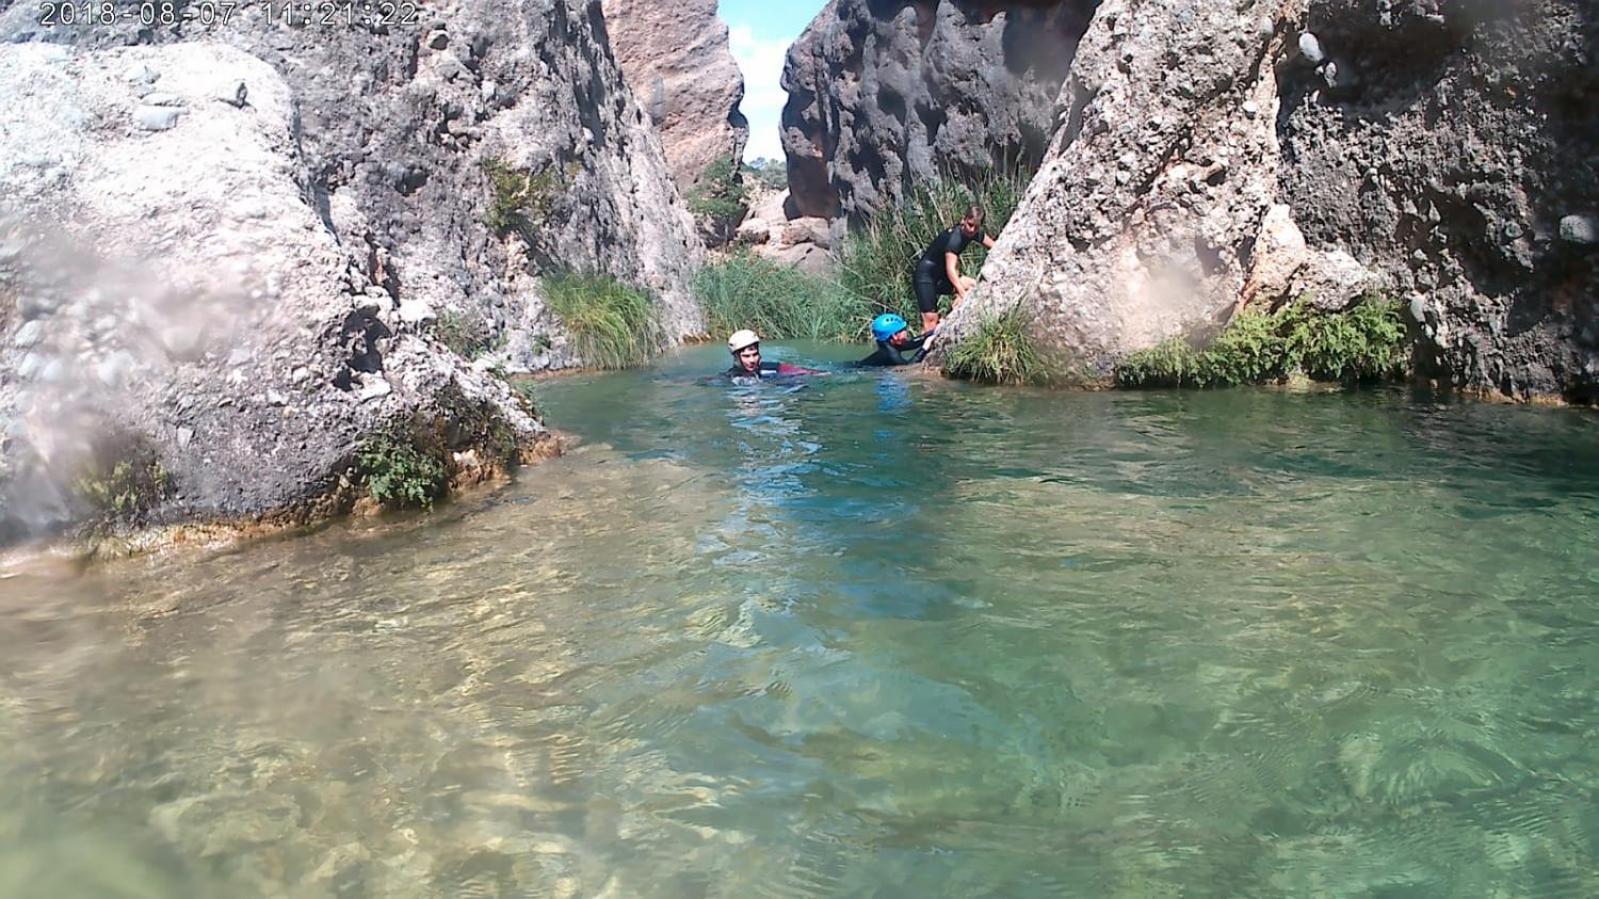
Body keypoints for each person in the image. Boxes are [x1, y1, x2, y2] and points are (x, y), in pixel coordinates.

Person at [912, 204, 995, 334]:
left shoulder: (974, 233)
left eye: (976, 227)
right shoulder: (954, 239)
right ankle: (923, 351)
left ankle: (952, 317)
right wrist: (962, 294)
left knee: (973, 285)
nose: (972, 230)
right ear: (964, 219)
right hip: (925, 277)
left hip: (940, 276)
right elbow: (950, 269)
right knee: (931, 322)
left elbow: (996, 247)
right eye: (970, 224)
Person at [723, 329, 821, 380]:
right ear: (736, 357)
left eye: (755, 354)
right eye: (746, 356)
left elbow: (803, 372)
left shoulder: (773, 368)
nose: (752, 360)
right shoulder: (729, 377)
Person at [857, 313, 932, 367]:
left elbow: (911, 343)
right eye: (904, 329)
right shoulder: (891, 354)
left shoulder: (889, 342)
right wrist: (924, 349)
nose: (906, 331)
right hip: (855, 370)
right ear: (895, 335)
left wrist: (931, 333)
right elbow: (907, 367)